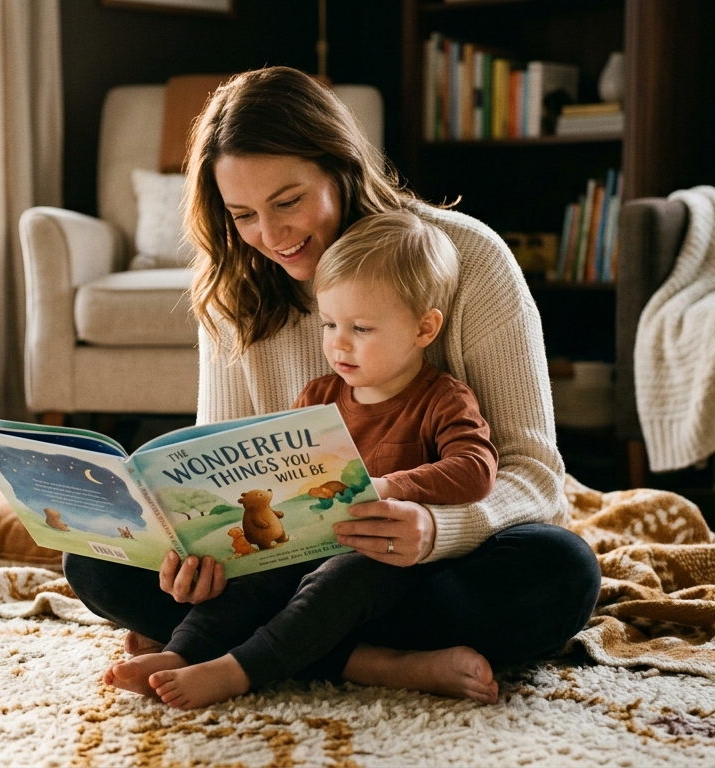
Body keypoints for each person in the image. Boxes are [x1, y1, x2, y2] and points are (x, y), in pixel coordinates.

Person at [64, 65, 601, 706]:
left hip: (417, 565)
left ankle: (247, 647)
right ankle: (378, 662)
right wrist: (195, 555)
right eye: (243, 214)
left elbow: (536, 476)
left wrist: (434, 529)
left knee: (563, 571)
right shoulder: (234, 291)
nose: (272, 236)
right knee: (94, 561)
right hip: (281, 565)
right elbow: (218, 484)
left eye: (288, 201)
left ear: (341, 168)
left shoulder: (467, 258)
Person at [139, 210, 500, 709]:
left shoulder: (443, 399)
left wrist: (392, 487)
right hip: (302, 547)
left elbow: (477, 469)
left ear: (424, 328)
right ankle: (182, 652)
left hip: (384, 565)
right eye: (329, 323)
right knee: (252, 570)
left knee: (343, 577)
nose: (338, 342)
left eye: (361, 328)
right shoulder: (317, 397)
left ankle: (240, 669)